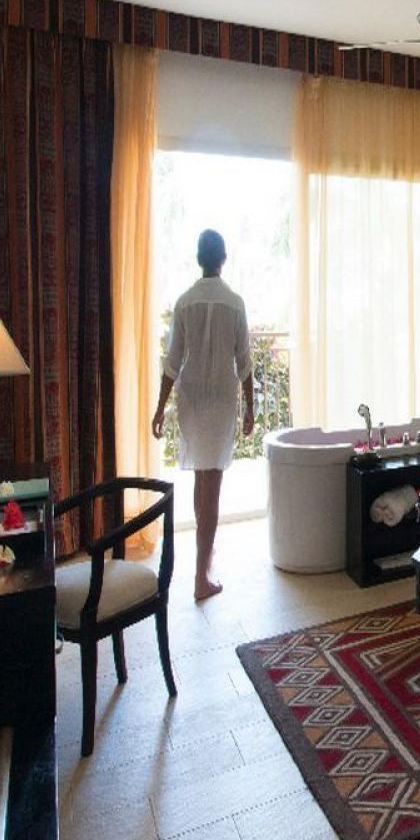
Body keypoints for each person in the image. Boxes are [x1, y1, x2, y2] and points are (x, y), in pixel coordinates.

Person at [152, 230, 255, 601]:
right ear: (223, 258)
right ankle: (201, 575)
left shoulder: (184, 302)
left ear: (199, 258)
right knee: (212, 486)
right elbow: (244, 362)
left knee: (201, 479)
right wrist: (251, 407)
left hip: (192, 399)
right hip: (221, 400)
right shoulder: (235, 303)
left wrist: (160, 407)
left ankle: (204, 558)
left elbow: (172, 363)